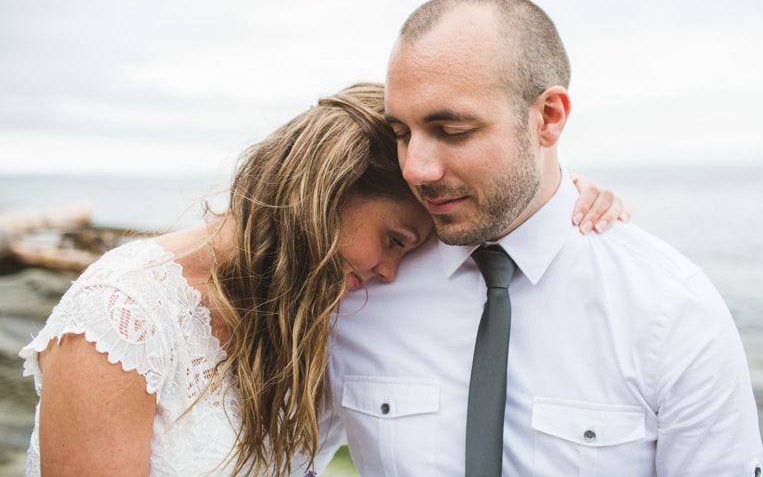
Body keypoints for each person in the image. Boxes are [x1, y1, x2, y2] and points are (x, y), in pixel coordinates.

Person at [19, 83, 626, 477]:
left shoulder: (319, 313)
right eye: (395, 239)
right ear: (326, 189)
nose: (389, 272)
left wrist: (552, 198)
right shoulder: (123, 317)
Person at [307, 0, 763, 476]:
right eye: (401, 133)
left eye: (453, 130)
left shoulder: (670, 310)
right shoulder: (358, 294)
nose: (416, 169)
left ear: (548, 118)